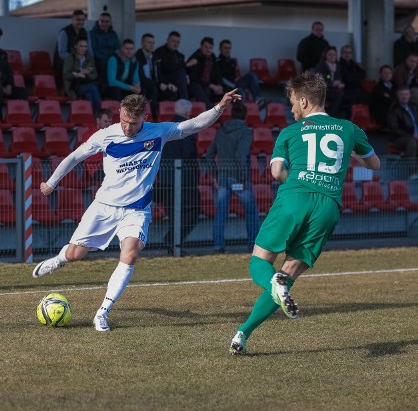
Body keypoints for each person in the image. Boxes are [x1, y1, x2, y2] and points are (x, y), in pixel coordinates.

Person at [31, 89, 241, 332]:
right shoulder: (105, 136)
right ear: (119, 113)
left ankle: (102, 313)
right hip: (104, 207)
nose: (128, 127)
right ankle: (58, 260)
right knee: (76, 253)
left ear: (145, 118)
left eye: (133, 123)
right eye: (124, 121)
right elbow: (74, 157)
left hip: (136, 210)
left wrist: (219, 107)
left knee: (129, 254)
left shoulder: (158, 132)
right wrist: (51, 182)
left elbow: (193, 125)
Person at [229, 72, 380, 355]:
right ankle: (242, 334)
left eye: (293, 103)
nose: (292, 109)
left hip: (294, 198)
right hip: (327, 208)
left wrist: (296, 178)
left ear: (304, 100)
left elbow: (276, 173)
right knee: (287, 276)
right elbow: (374, 163)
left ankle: (271, 286)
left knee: (259, 264)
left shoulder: (288, 132)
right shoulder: (348, 128)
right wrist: (349, 155)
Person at [205, 102, 259, 253]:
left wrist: (215, 176)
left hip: (222, 177)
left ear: (232, 115)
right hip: (238, 178)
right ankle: (253, 245)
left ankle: (218, 246)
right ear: (246, 116)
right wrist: (242, 178)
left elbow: (209, 156)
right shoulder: (245, 132)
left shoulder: (221, 131)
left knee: (221, 212)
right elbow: (241, 156)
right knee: (251, 212)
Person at [154, 99, 201, 255]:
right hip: (184, 177)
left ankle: (173, 247)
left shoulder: (164, 128)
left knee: (173, 214)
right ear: (188, 113)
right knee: (193, 211)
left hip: (166, 177)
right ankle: (173, 243)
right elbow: (188, 153)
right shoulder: (187, 128)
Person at [136, 33, 178, 121]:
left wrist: (167, 84)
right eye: (149, 43)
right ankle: (154, 119)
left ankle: (169, 120)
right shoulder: (138, 56)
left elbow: (159, 74)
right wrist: (159, 85)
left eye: (153, 43)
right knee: (153, 88)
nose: (151, 45)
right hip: (144, 85)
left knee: (171, 91)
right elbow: (141, 77)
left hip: (155, 84)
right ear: (142, 43)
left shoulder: (155, 56)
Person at [217, 39, 263, 105]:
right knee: (240, 92)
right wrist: (234, 86)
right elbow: (221, 79)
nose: (227, 50)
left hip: (234, 84)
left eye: (229, 48)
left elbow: (233, 76)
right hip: (225, 87)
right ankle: (240, 111)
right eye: (225, 48)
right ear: (220, 49)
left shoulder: (232, 61)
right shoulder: (217, 62)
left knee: (252, 76)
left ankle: (258, 100)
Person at [63, 36, 101, 113]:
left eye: (85, 46)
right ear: (75, 46)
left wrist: (88, 74)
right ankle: (101, 112)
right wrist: (77, 74)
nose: (83, 48)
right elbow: (65, 74)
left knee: (89, 95)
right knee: (92, 87)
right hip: (74, 85)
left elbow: (95, 74)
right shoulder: (70, 58)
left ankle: (93, 117)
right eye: (81, 46)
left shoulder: (89, 58)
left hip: (86, 82)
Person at [187, 36, 224, 107]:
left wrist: (219, 85)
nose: (208, 50)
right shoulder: (194, 58)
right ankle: (209, 111)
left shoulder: (214, 59)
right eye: (206, 47)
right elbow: (194, 78)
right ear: (201, 47)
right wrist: (210, 85)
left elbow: (219, 75)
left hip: (210, 86)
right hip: (195, 86)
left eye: (210, 48)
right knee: (201, 88)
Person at [53, 10, 92, 74]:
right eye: (78, 20)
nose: (81, 22)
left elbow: (90, 50)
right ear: (72, 19)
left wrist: (90, 61)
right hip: (65, 62)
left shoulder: (86, 32)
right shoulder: (64, 32)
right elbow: (62, 53)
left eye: (83, 20)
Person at [386, 86, 418, 165]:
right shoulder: (394, 109)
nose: (404, 97)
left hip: (415, 136)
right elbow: (394, 128)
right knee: (412, 142)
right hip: (398, 139)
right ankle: (412, 173)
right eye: (402, 94)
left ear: (409, 95)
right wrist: (412, 135)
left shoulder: (413, 107)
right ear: (398, 96)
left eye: (406, 94)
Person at [154, 31, 189, 99]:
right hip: (164, 80)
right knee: (181, 73)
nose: (176, 44)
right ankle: (184, 101)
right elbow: (165, 68)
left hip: (178, 80)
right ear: (167, 40)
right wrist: (183, 64)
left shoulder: (180, 55)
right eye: (173, 41)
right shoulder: (159, 52)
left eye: (178, 42)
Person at [89, 11, 120, 85]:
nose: (104, 24)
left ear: (110, 23)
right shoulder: (92, 33)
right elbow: (93, 50)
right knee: (104, 66)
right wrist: (108, 60)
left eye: (107, 21)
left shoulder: (114, 34)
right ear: (98, 21)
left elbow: (117, 48)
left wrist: (113, 59)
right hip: (99, 61)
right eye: (102, 21)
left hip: (112, 60)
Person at [315, 46, 345, 118]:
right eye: (330, 54)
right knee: (339, 95)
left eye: (334, 54)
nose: (332, 56)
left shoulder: (338, 66)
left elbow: (339, 78)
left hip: (335, 90)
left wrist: (340, 83)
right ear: (326, 55)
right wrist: (333, 83)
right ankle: (330, 116)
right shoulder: (321, 66)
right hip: (323, 90)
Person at [338, 44, 366, 112]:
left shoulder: (353, 63)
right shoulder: (339, 64)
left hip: (357, 88)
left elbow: (363, 74)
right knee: (354, 97)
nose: (348, 54)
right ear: (342, 53)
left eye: (349, 53)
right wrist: (356, 76)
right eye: (345, 52)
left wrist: (353, 76)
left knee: (367, 96)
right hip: (347, 89)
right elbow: (346, 78)